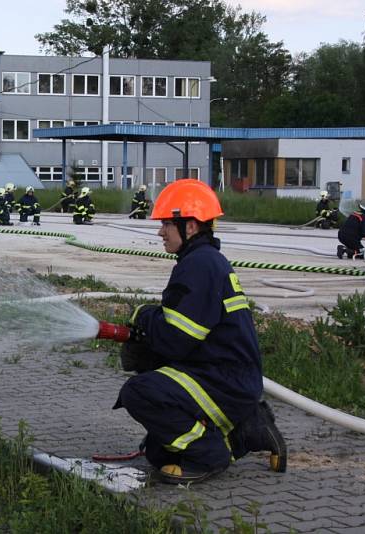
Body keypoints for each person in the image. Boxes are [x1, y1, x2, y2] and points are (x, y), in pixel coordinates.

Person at [113, 179, 287, 484]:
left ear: (190, 226)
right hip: (226, 375)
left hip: (222, 379)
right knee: (159, 454)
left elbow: (176, 340)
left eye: (167, 223)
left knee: (138, 392)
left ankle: (210, 455)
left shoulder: (199, 265)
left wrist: (144, 317)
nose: (160, 232)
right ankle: (249, 429)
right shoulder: (204, 261)